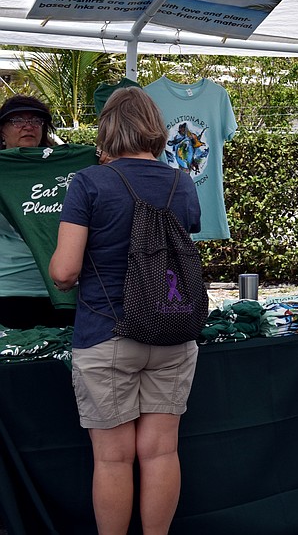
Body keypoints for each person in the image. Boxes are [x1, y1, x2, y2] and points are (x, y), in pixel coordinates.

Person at [49, 87, 201, 535]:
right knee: (161, 452)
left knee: (113, 458)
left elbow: (64, 271)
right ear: (154, 128)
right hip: (172, 329)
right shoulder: (183, 181)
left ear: (107, 129)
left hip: (106, 333)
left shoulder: (88, 182)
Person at [0, 94, 76, 328]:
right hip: (10, 289)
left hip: (64, 290)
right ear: (1, 130)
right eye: (17, 120)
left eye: (36, 120)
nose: (27, 126)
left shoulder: (70, 165)